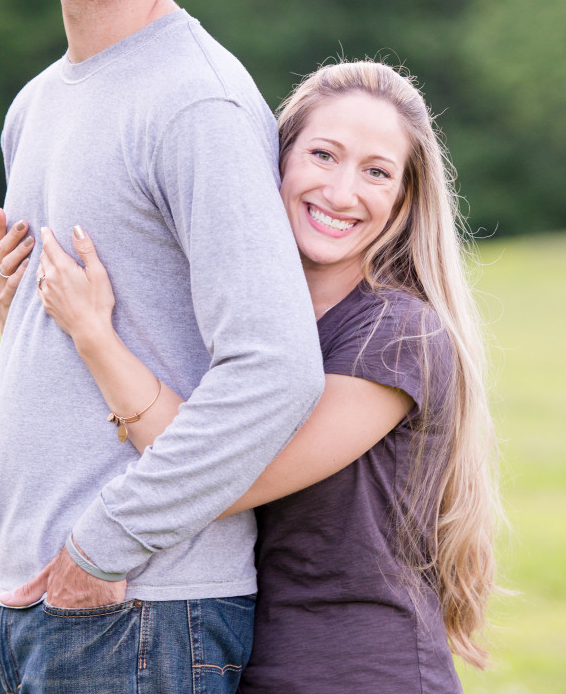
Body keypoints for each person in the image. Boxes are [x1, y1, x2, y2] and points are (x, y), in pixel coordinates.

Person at [0, 0, 324, 694]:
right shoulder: (36, 102)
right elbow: (37, 333)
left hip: (139, 613)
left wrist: (105, 545)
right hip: (5, 598)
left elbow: (274, 371)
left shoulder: (196, 104)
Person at [32, 60, 499, 693]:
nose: (340, 193)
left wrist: (93, 334)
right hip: (245, 659)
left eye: (376, 172)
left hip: (357, 673)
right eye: (323, 155)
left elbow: (214, 477)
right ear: (274, 162)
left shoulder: (395, 336)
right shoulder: (248, 325)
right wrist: (25, 318)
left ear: (404, 200)